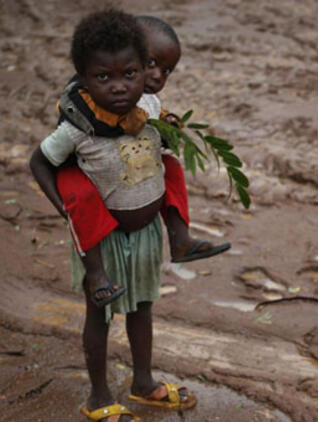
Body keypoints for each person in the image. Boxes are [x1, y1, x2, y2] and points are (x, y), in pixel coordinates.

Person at [30, 9, 196, 421]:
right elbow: (39, 163)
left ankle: (143, 383)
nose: (120, 87)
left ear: (145, 71)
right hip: (100, 241)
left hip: (143, 236)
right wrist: (68, 210)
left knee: (142, 308)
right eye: (104, 77)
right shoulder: (76, 127)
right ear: (83, 78)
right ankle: (99, 397)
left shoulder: (150, 108)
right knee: (99, 315)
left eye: (131, 74)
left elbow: (162, 154)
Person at [54, 14, 229, 308]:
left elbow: (143, 123)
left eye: (167, 70)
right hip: (85, 169)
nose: (159, 76)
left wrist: (165, 126)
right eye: (151, 64)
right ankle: (97, 274)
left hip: (123, 170)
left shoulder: (141, 97)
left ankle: (180, 238)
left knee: (170, 166)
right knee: (79, 193)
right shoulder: (84, 92)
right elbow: (108, 124)